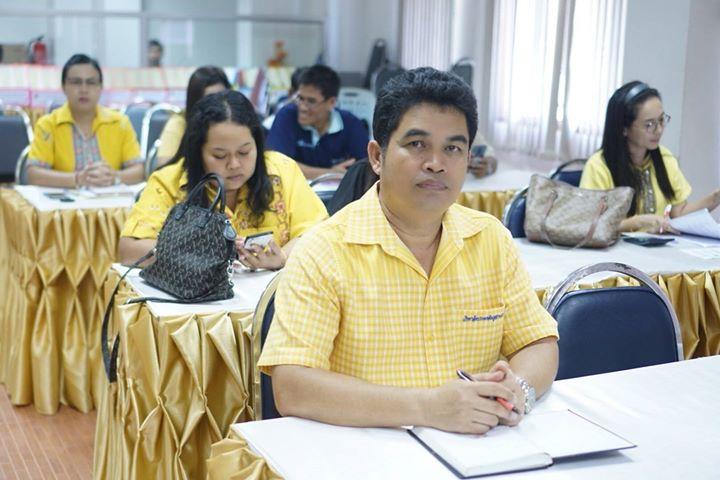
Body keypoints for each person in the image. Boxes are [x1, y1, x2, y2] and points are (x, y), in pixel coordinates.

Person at [259, 68, 559, 434]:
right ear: (376, 156)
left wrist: (519, 389)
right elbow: (292, 387)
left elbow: (537, 342)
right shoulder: (324, 250)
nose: (436, 163)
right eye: (417, 144)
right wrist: (427, 408)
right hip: (363, 450)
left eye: (453, 148)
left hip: (479, 448)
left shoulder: (490, 239)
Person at [118, 90, 328, 270]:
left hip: (268, 300)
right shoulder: (169, 182)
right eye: (220, 155)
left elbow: (320, 234)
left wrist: (283, 257)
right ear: (198, 152)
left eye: (244, 152)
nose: (234, 164)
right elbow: (129, 250)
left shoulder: (282, 170)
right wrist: (199, 252)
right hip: (195, 304)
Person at [581, 81, 720, 233]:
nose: (659, 130)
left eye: (661, 120)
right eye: (649, 124)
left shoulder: (665, 158)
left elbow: (679, 213)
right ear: (624, 128)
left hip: (658, 246)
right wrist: (637, 222)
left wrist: (716, 197)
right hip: (617, 248)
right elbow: (590, 225)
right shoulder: (599, 166)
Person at [27, 54, 144, 188]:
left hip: (111, 199)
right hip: (64, 200)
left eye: (91, 82)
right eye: (76, 82)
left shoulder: (120, 122)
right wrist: (77, 179)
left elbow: (139, 171)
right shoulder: (48, 124)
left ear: (100, 87)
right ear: (64, 86)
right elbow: (33, 175)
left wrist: (114, 177)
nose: (84, 90)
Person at [266, 64, 369, 180]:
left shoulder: (351, 124)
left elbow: (366, 169)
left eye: (311, 101)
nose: (303, 107)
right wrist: (331, 173)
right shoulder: (287, 116)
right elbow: (277, 165)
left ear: (331, 102)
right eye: (300, 98)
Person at [156, 66, 231, 166]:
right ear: (196, 101)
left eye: (223, 96)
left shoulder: (235, 123)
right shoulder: (179, 123)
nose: (218, 105)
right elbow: (164, 166)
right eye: (210, 99)